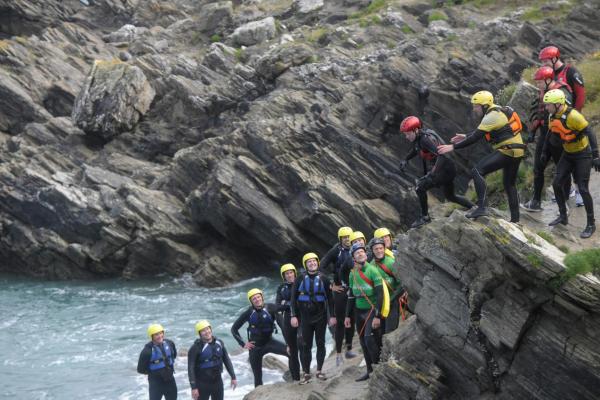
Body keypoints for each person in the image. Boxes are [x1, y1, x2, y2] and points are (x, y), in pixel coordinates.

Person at [438, 90, 525, 223]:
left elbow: (476, 137)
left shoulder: (491, 116)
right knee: (509, 184)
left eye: (476, 106)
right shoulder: (496, 112)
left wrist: (453, 147)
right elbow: (482, 131)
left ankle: (482, 208)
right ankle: (515, 220)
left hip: (507, 150)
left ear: (485, 106)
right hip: (517, 150)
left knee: (477, 171)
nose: (474, 109)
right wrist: (466, 135)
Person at [542, 89, 600, 238]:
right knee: (556, 184)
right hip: (568, 154)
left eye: (548, 105)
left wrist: (595, 156)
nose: (546, 107)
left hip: (583, 155)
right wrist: (544, 151)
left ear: (557, 104)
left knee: (583, 188)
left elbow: (590, 133)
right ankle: (563, 215)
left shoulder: (573, 116)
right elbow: (551, 133)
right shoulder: (552, 115)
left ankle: (591, 224)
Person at [399, 116, 474, 227]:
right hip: (448, 168)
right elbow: (416, 149)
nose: (406, 136)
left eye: (408, 133)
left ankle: (425, 217)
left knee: (420, 188)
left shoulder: (425, 139)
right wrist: (406, 159)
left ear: (416, 130)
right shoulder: (420, 136)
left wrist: (432, 174)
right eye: (405, 134)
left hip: (444, 170)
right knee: (450, 196)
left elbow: (442, 155)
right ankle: (474, 207)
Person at [539, 45, 587, 207]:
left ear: (554, 58)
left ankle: (580, 190)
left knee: (575, 156)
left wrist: (573, 117)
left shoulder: (571, 72)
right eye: (542, 61)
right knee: (561, 158)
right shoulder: (549, 75)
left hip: (571, 120)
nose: (543, 63)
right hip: (555, 124)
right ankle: (569, 190)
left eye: (546, 60)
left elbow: (580, 95)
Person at [522, 66, 572, 212]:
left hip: (558, 136)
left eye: (539, 82)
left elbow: (568, 115)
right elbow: (540, 114)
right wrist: (533, 131)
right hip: (544, 136)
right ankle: (536, 201)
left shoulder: (562, 93)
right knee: (538, 168)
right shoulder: (542, 92)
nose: (537, 85)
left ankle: (565, 201)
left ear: (548, 79)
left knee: (562, 170)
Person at [290, 252, 336, 383]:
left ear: (317, 263)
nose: (312, 263)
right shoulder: (299, 279)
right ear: (305, 265)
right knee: (306, 346)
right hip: (305, 318)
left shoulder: (324, 279)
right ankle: (306, 373)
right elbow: (293, 299)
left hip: (320, 317)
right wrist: (293, 316)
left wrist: (332, 316)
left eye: (314, 261)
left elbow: (330, 299)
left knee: (320, 343)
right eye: (309, 262)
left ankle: (320, 371)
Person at [231, 288, 288, 387]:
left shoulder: (271, 308)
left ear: (262, 297)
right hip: (255, 347)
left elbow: (283, 326)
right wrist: (243, 344)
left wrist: (289, 343)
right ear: (251, 301)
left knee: (291, 353)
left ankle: (292, 376)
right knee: (258, 377)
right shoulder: (248, 313)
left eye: (258, 297)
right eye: (254, 299)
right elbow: (234, 329)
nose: (257, 300)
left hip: (270, 342)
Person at [345, 243, 384, 382]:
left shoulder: (373, 271)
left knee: (369, 339)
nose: (360, 254)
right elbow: (350, 296)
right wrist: (347, 316)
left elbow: (380, 295)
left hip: (371, 310)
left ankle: (378, 370)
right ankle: (369, 370)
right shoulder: (352, 274)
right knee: (362, 341)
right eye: (357, 253)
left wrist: (377, 316)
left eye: (362, 252)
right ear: (353, 257)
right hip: (358, 311)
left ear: (366, 254)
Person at [320, 227, 357, 366]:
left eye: (349, 237)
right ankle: (339, 354)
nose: (347, 239)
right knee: (341, 322)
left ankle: (349, 349)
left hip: (353, 288)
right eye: (344, 237)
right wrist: (330, 285)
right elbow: (321, 268)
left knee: (351, 320)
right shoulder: (336, 250)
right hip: (339, 290)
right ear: (340, 239)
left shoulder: (356, 249)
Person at [188, 320, 237, 400]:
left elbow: (226, 360)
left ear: (210, 329)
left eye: (207, 329)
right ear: (199, 333)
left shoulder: (219, 343)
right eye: (203, 330)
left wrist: (233, 377)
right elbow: (191, 368)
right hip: (202, 385)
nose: (206, 332)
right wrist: (193, 387)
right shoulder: (195, 348)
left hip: (217, 383)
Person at [369, 238, 406, 334]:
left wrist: (391, 300)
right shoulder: (371, 266)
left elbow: (402, 284)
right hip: (379, 303)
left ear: (384, 248)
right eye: (376, 249)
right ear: (372, 251)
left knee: (390, 332)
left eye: (381, 248)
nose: (379, 251)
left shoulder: (391, 262)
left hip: (393, 301)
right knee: (379, 333)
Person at [275, 263, 301, 381]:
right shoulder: (281, 288)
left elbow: (304, 300)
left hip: (302, 318)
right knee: (292, 350)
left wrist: (287, 303)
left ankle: (306, 372)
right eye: (287, 274)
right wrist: (290, 303)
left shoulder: (301, 283)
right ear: (283, 276)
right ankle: (295, 378)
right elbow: (277, 306)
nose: (289, 275)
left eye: (291, 272)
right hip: (288, 319)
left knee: (303, 344)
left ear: (295, 273)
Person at [137, 324, 178, 400]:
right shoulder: (147, 351)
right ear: (151, 336)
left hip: (170, 381)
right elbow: (140, 369)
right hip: (155, 384)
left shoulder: (170, 343)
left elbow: (174, 355)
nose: (159, 336)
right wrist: (153, 372)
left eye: (161, 333)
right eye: (156, 334)